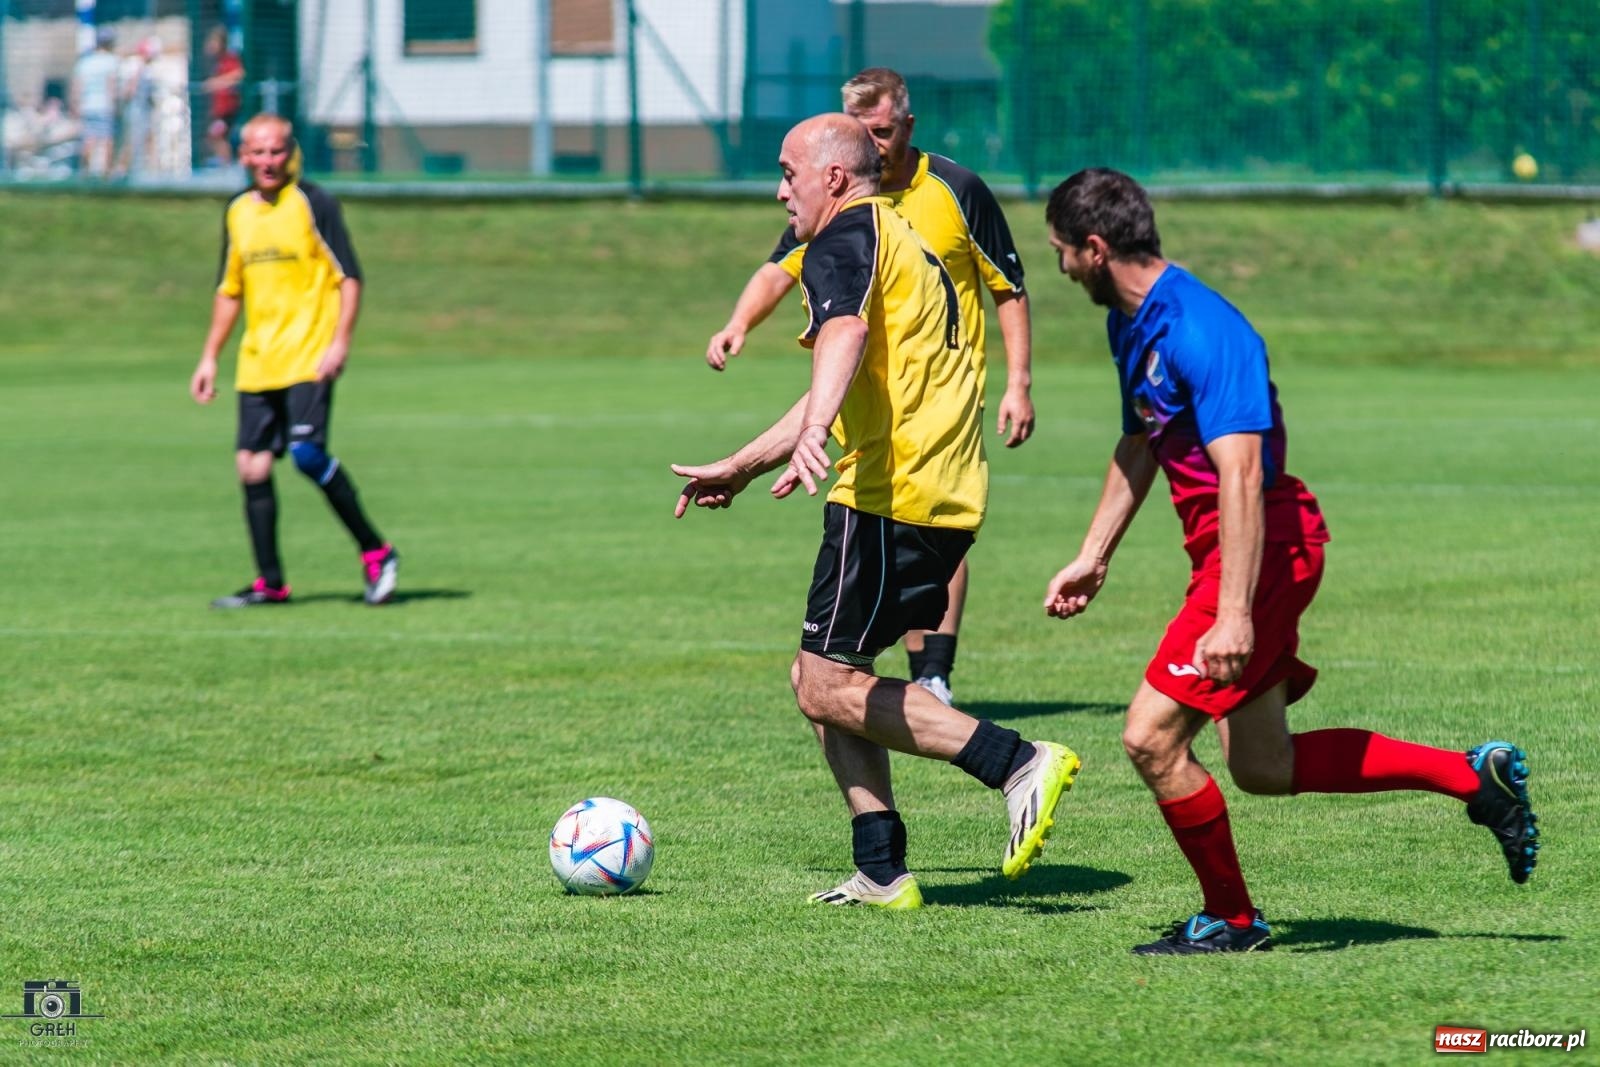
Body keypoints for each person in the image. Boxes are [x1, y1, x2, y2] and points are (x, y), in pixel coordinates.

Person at [1039, 168, 1539, 954]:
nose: (1061, 269)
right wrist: (1092, 554)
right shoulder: (1131, 325)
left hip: (1263, 549)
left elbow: (1240, 473)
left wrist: (1234, 608)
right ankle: (1474, 777)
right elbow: (1140, 439)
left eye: (1063, 252)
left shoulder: (1206, 330)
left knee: (1149, 737)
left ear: (1096, 249)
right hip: (1230, 550)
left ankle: (1233, 921)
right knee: (1264, 763)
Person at [673, 114, 1079, 909]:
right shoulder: (894, 235)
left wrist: (818, 430)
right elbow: (848, 368)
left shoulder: (845, 236)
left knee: (824, 685)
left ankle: (1017, 760)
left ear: (832, 176)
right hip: (933, 491)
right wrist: (746, 464)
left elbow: (844, 335)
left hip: (894, 492)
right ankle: (882, 868)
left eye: (789, 171)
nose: (779, 188)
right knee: (819, 674)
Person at [706, 68, 1034, 707]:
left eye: (881, 130)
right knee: (821, 677)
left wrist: (1018, 381)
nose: (875, 143)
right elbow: (782, 271)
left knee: (827, 681)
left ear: (906, 126)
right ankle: (884, 805)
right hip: (898, 440)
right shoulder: (853, 219)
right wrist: (739, 328)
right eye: (863, 132)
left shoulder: (931, 197)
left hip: (917, 437)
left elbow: (856, 328)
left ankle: (1003, 747)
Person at [190, 114, 399, 608]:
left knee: (307, 456)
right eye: (257, 153)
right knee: (253, 467)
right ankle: (271, 583)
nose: (267, 161)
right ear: (242, 156)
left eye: (276, 151)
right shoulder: (238, 211)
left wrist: (340, 341)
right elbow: (229, 290)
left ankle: (377, 552)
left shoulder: (313, 203)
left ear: (291, 153)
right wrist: (208, 358)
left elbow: (349, 276)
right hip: (260, 360)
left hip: (309, 355)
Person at [71, 28, 120, 179]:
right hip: (104, 105)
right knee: (106, 140)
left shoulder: (85, 62)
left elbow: (77, 87)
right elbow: (111, 85)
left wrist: (75, 105)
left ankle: (85, 173)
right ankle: (105, 175)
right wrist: (115, 105)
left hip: (87, 106)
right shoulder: (111, 61)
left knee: (88, 140)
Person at [201, 27, 244, 166]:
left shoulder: (229, 59)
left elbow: (239, 74)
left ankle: (228, 166)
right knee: (216, 137)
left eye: (214, 41)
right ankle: (227, 164)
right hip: (220, 110)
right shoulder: (217, 62)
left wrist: (217, 83)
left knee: (216, 136)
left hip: (229, 109)